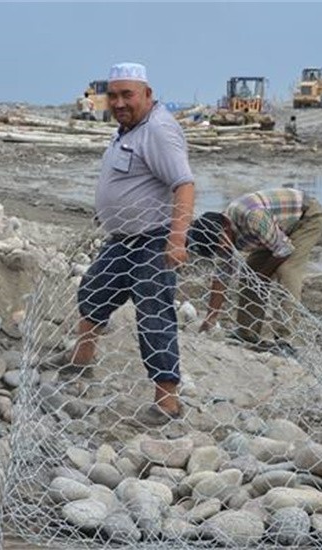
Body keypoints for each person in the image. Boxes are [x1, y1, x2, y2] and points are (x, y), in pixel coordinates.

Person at [50, 62, 195, 425]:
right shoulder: (126, 129)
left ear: (147, 93)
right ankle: (82, 360)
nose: (118, 102)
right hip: (122, 239)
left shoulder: (159, 131)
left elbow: (184, 185)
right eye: (113, 95)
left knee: (153, 316)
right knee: (92, 291)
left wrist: (177, 239)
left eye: (127, 95)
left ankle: (168, 403)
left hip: (153, 241)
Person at [188, 188, 322, 352]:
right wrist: (211, 317)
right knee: (249, 275)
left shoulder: (252, 217)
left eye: (220, 245)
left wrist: (264, 275)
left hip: (304, 218)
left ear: (224, 230)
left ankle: (287, 340)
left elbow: (284, 250)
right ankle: (247, 333)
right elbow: (222, 275)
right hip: (273, 231)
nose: (223, 249)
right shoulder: (220, 235)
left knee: (287, 271)